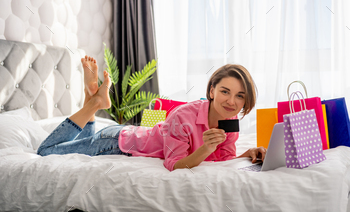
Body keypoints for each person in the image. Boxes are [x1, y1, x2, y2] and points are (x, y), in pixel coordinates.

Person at [37, 56, 266, 171]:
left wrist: (247, 154)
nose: (231, 101)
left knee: (81, 139)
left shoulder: (230, 120)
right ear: (212, 91)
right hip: (117, 142)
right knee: (46, 151)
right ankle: (94, 103)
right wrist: (206, 147)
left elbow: (221, 160)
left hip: (130, 133)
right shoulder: (182, 116)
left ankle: (92, 96)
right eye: (225, 91)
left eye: (240, 96)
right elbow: (174, 165)